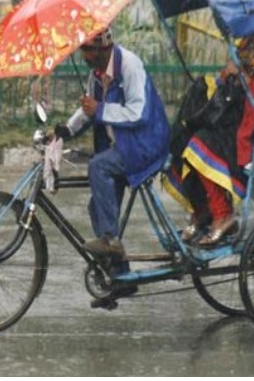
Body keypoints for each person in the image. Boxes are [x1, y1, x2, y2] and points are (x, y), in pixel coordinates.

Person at [53, 27, 170, 273]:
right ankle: (118, 276)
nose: (83, 56)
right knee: (96, 206)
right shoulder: (96, 75)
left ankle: (110, 239)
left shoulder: (130, 66)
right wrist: (66, 129)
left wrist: (100, 110)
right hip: (120, 147)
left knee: (99, 166)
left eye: (87, 50)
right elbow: (88, 108)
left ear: (102, 50)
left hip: (145, 143)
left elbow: (138, 112)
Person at [165, 31, 254, 246]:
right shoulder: (248, 42)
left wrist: (241, 74)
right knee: (182, 138)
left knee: (200, 144)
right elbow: (227, 78)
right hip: (239, 117)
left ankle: (223, 215)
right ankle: (202, 208)